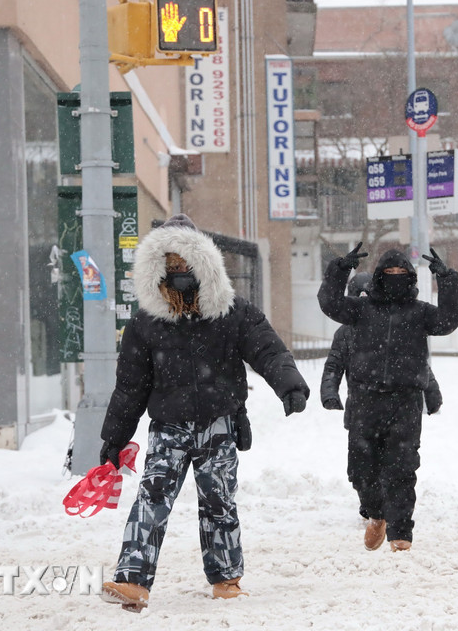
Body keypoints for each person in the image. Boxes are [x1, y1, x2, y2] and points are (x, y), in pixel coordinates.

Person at [98, 214, 309, 612]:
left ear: (203, 264)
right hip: (168, 428)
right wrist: (115, 436)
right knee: (152, 498)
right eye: (170, 265)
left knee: (219, 501)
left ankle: (227, 579)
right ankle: (132, 582)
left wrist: (290, 384)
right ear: (156, 270)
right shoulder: (146, 323)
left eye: (185, 264)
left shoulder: (232, 312)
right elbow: (130, 386)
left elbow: (268, 349)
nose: (179, 272)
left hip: (219, 424)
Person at [317, 243, 458, 552]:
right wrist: (340, 269)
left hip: (404, 402)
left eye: (401, 272)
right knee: (360, 470)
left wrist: (446, 279)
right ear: (379, 277)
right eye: (388, 272)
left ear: (410, 278)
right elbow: (329, 303)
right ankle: (376, 515)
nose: (395, 277)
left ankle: (401, 534)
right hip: (365, 402)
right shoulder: (361, 310)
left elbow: (449, 320)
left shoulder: (420, 313)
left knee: (402, 468)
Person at [320, 272, 443, 522]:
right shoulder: (344, 334)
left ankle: (389, 505)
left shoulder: (393, 326)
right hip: (360, 409)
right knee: (363, 464)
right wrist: (329, 392)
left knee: (394, 459)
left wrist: (432, 393)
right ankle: (371, 503)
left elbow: (417, 366)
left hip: (395, 407)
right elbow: (333, 366)